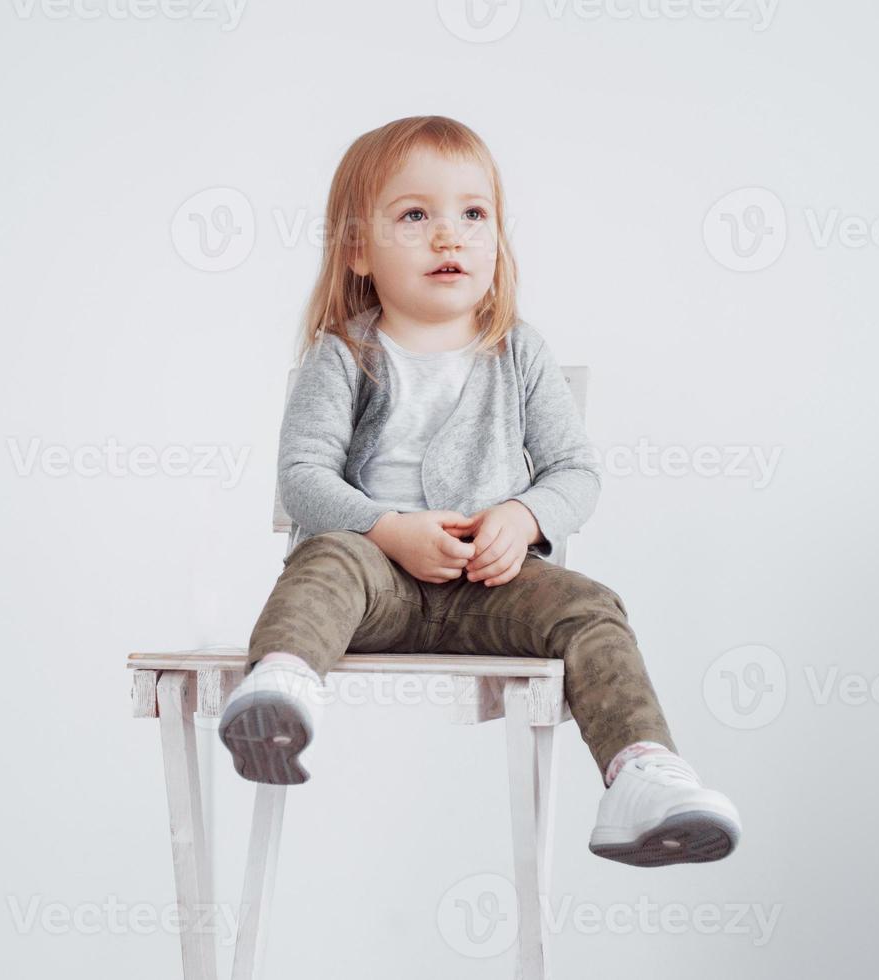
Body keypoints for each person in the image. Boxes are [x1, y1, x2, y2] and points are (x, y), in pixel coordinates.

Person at [217, 115, 742, 868]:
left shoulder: (518, 352)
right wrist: (384, 530)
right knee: (325, 559)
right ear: (358, 249)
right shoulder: (344, 355)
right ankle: (281, 690)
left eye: (472, 214)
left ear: (496, 237)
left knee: (590, 607)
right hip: (374, 587)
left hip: (490, 586)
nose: (448, 236)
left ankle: (641, 771)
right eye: (414, 215)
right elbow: (302, 478)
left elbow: (574, 471)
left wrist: (524, 516)